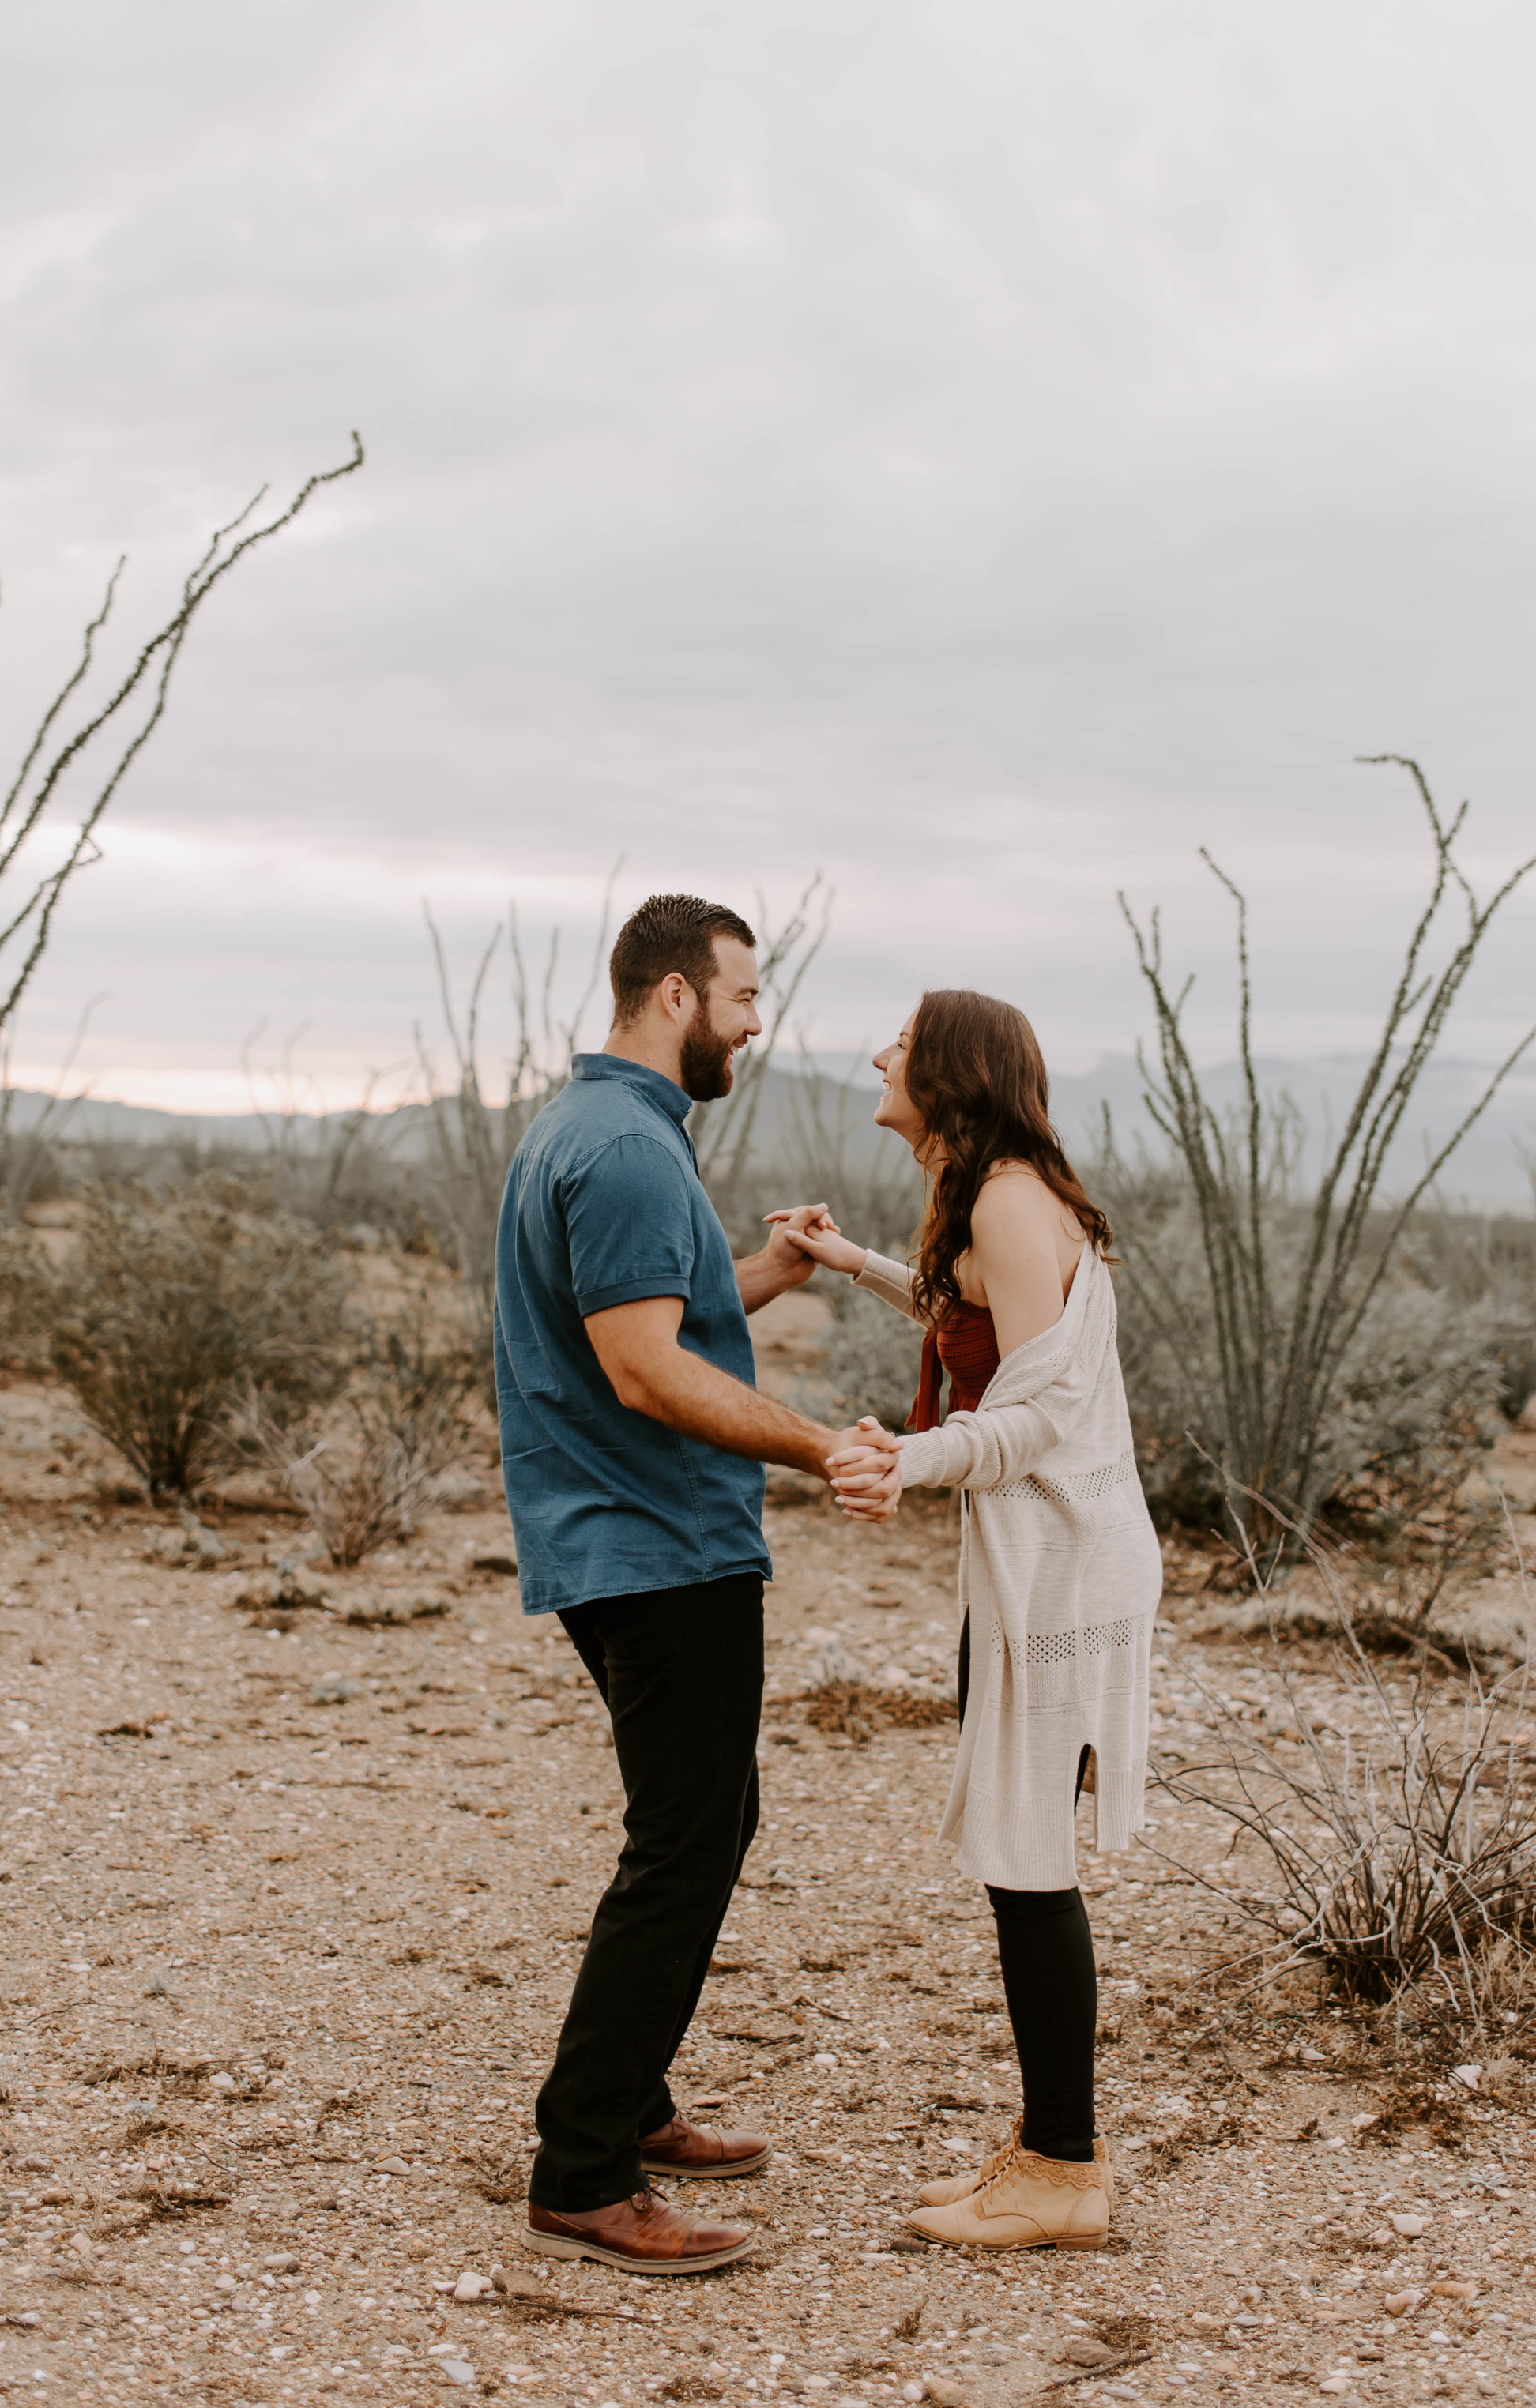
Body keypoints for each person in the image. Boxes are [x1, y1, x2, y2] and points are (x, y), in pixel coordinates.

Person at [494, 891, 875, 2278]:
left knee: (706, 1817)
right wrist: (823, 1443)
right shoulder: (630, 1148)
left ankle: (632, 2105)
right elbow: (646, 1368)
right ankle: (583, 2165)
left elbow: (655, 1312)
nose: (757, 1022)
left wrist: (767, 1268)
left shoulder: (595, 1128)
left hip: (623, 1540)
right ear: (673, 996)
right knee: (685, 1840)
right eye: (744, 996)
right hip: (656, 1544)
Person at [785, 989, 1162, 2252]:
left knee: (1027, 1857)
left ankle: (1065, 2165)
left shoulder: (1007, 1194)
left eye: (899, 1040)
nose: (880, 1054)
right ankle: (1053, 2145)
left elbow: (1037, 1412)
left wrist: (914, 1457)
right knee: (1019, 1850)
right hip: (1039, 1560)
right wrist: (855, 1264)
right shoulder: (996, 1196)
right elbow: (982, 1324)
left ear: (947, 1072)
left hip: (1060, 1568)